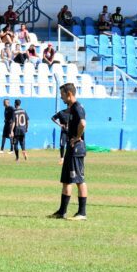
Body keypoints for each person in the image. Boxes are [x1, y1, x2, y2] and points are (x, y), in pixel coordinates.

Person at [48, 83, 88, 220]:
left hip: (77, 149)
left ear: (69, 94)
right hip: (70, 149)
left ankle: (82, 213)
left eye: (62, 94)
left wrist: (77, 137)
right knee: (67, 180)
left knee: (79, 180)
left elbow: (83, 123)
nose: (61, 97)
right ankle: (61, 211)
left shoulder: (77, 108)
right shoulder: (71, 109)